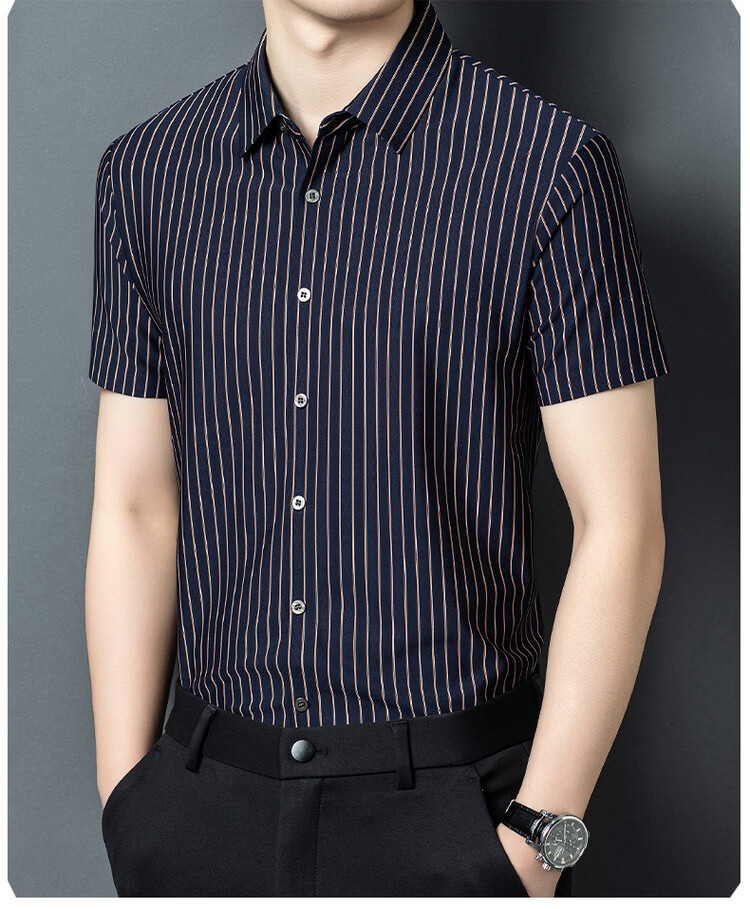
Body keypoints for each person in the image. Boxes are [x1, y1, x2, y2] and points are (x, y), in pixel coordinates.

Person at [85, 0, 670, 897]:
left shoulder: (550, 164)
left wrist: (534, 844)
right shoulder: (148, 172)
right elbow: (135, 504)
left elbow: (621, 522)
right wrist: (128, 804)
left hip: (454, 815)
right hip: (199, 813)